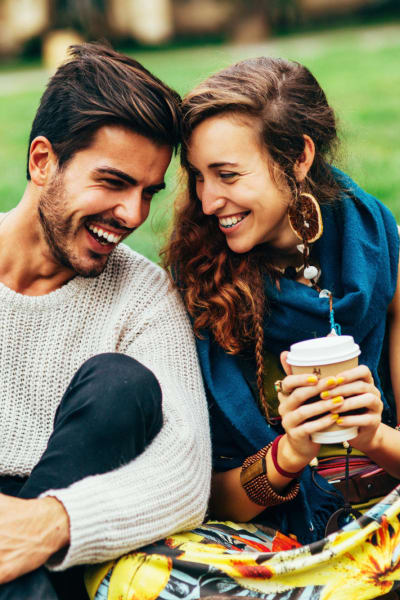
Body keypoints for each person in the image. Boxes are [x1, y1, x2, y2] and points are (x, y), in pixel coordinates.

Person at [91, 56, 400, 599]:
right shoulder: (196, 287)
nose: (209, 202)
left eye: (228, 175)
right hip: (277, 543)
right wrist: (289, 453)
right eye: (199, 176)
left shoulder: (383, 250)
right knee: (134, 573)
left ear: (299, 156)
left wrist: (373, 436)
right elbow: (207, 498)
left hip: (387, 524)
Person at [0, 42, 211, 599]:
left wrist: (51, 522)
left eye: (148, 193)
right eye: (114, 182)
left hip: (66, 529)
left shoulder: (141, 294)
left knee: (123, 382)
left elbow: (187, 471)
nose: (134, 215)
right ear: (43, 161)